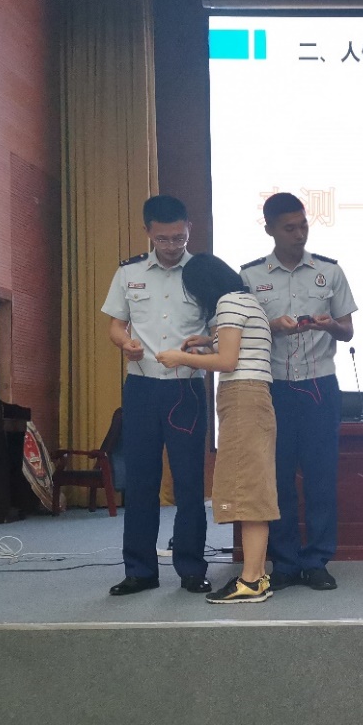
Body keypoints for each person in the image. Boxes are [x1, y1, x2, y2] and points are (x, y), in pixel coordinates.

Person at [241, 192, 358, 592]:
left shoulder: (330, 271)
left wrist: (329, 325)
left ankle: (317, 560)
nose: (299, 234)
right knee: (276, 478)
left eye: (303, 225)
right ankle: (286, 562)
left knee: (320, 478)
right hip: (272, 387)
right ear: (270, 229)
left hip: (319, 386)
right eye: (289, 228)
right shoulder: (250, 276)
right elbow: (239, 334)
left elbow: (347, 330)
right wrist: (272, 326)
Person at [101, 195, 210, 596]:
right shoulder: (129, 273)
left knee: (189, 483)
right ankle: (140, 570)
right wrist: (124, 343)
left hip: (187, 386)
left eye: (179, 237)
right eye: (163, 239)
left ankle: (191, 568)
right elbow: (116, 325)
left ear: (188, 229)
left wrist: (205, 342)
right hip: (142, 388)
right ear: (147, 232)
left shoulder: (204, 273)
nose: (171, 246)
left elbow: (223, 328)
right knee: (141, 481)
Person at [154, 254, 278, 604]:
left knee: (246, 491)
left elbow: (228, 361)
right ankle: (256, 577)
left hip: (242, 398)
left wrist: (181, 357)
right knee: (253, 488)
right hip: (255, 398)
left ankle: (251, 581)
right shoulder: (247, 301)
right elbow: (240, 348)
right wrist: (208, 341)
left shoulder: (228, 304)